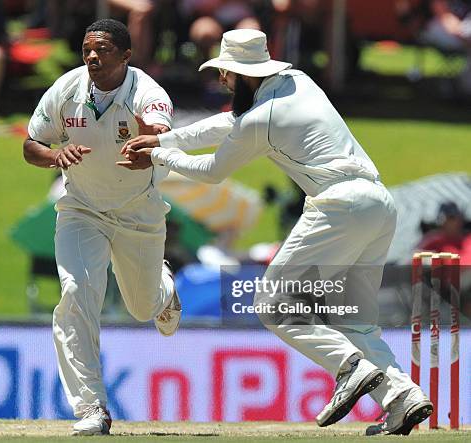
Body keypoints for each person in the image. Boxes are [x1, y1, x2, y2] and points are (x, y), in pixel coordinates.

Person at [119, 29, 434, 436]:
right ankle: (403, 399)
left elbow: (213, 171)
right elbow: (227, 123)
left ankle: (349, 367)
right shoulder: (298, 81)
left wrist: (158, 156)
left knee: (273, 303)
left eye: (226, 74)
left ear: (243, 75)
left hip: (338, 206)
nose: (221, 81)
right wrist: (164, 138)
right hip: (377, 203)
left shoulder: (261, 120)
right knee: (355, 322)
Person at [22, 18, 181, 436]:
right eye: (87, 49)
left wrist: (149, 146)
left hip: (138, 212)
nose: (92, 56)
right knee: (76, 294)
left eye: (103, 49)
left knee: (143, 308)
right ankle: (92, 407)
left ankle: (164, 288)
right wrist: (55, 156)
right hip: (81, 209)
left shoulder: (147, 91)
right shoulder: (68, 88)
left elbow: (160, 132)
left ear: (126, 55)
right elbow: (30, 144)